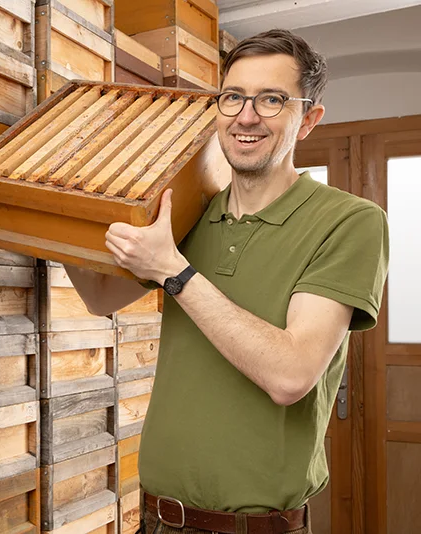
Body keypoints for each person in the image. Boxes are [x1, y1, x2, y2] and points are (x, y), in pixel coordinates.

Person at [64, 29, 389, 534]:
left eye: (272, 100)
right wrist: (54, 213)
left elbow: (291, 375)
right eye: (232, 97)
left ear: (308, 120)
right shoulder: (191, 212)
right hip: (154, 517)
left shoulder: (349, 221)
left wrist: (173, 270)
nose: (246, 115)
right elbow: (99, 296)